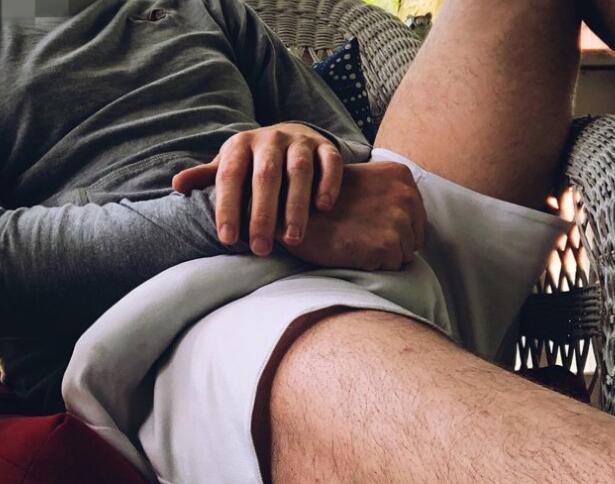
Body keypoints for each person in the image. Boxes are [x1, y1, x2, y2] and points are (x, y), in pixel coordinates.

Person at [1, 0, 615, 482]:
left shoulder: (203, 7)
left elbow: (342, 142)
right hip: (184, 317)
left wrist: (304, 148)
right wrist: (247, 217)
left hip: (362, 244)